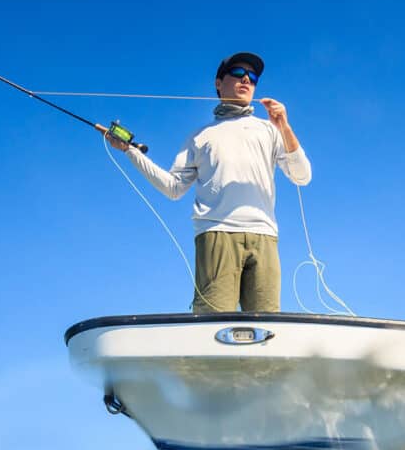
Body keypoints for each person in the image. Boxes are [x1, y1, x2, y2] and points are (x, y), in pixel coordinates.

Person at [106, 51, 312, 312]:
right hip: (216, 235)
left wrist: (283, 125)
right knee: (213, 325)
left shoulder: (270, 129)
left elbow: (302, 176)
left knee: (266, 327)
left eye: (253, 77)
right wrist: (130, 152)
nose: (246, 80)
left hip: (265, 236)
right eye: (238, 73)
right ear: (218, 83)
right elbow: (173, 188)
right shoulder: (199, 137)